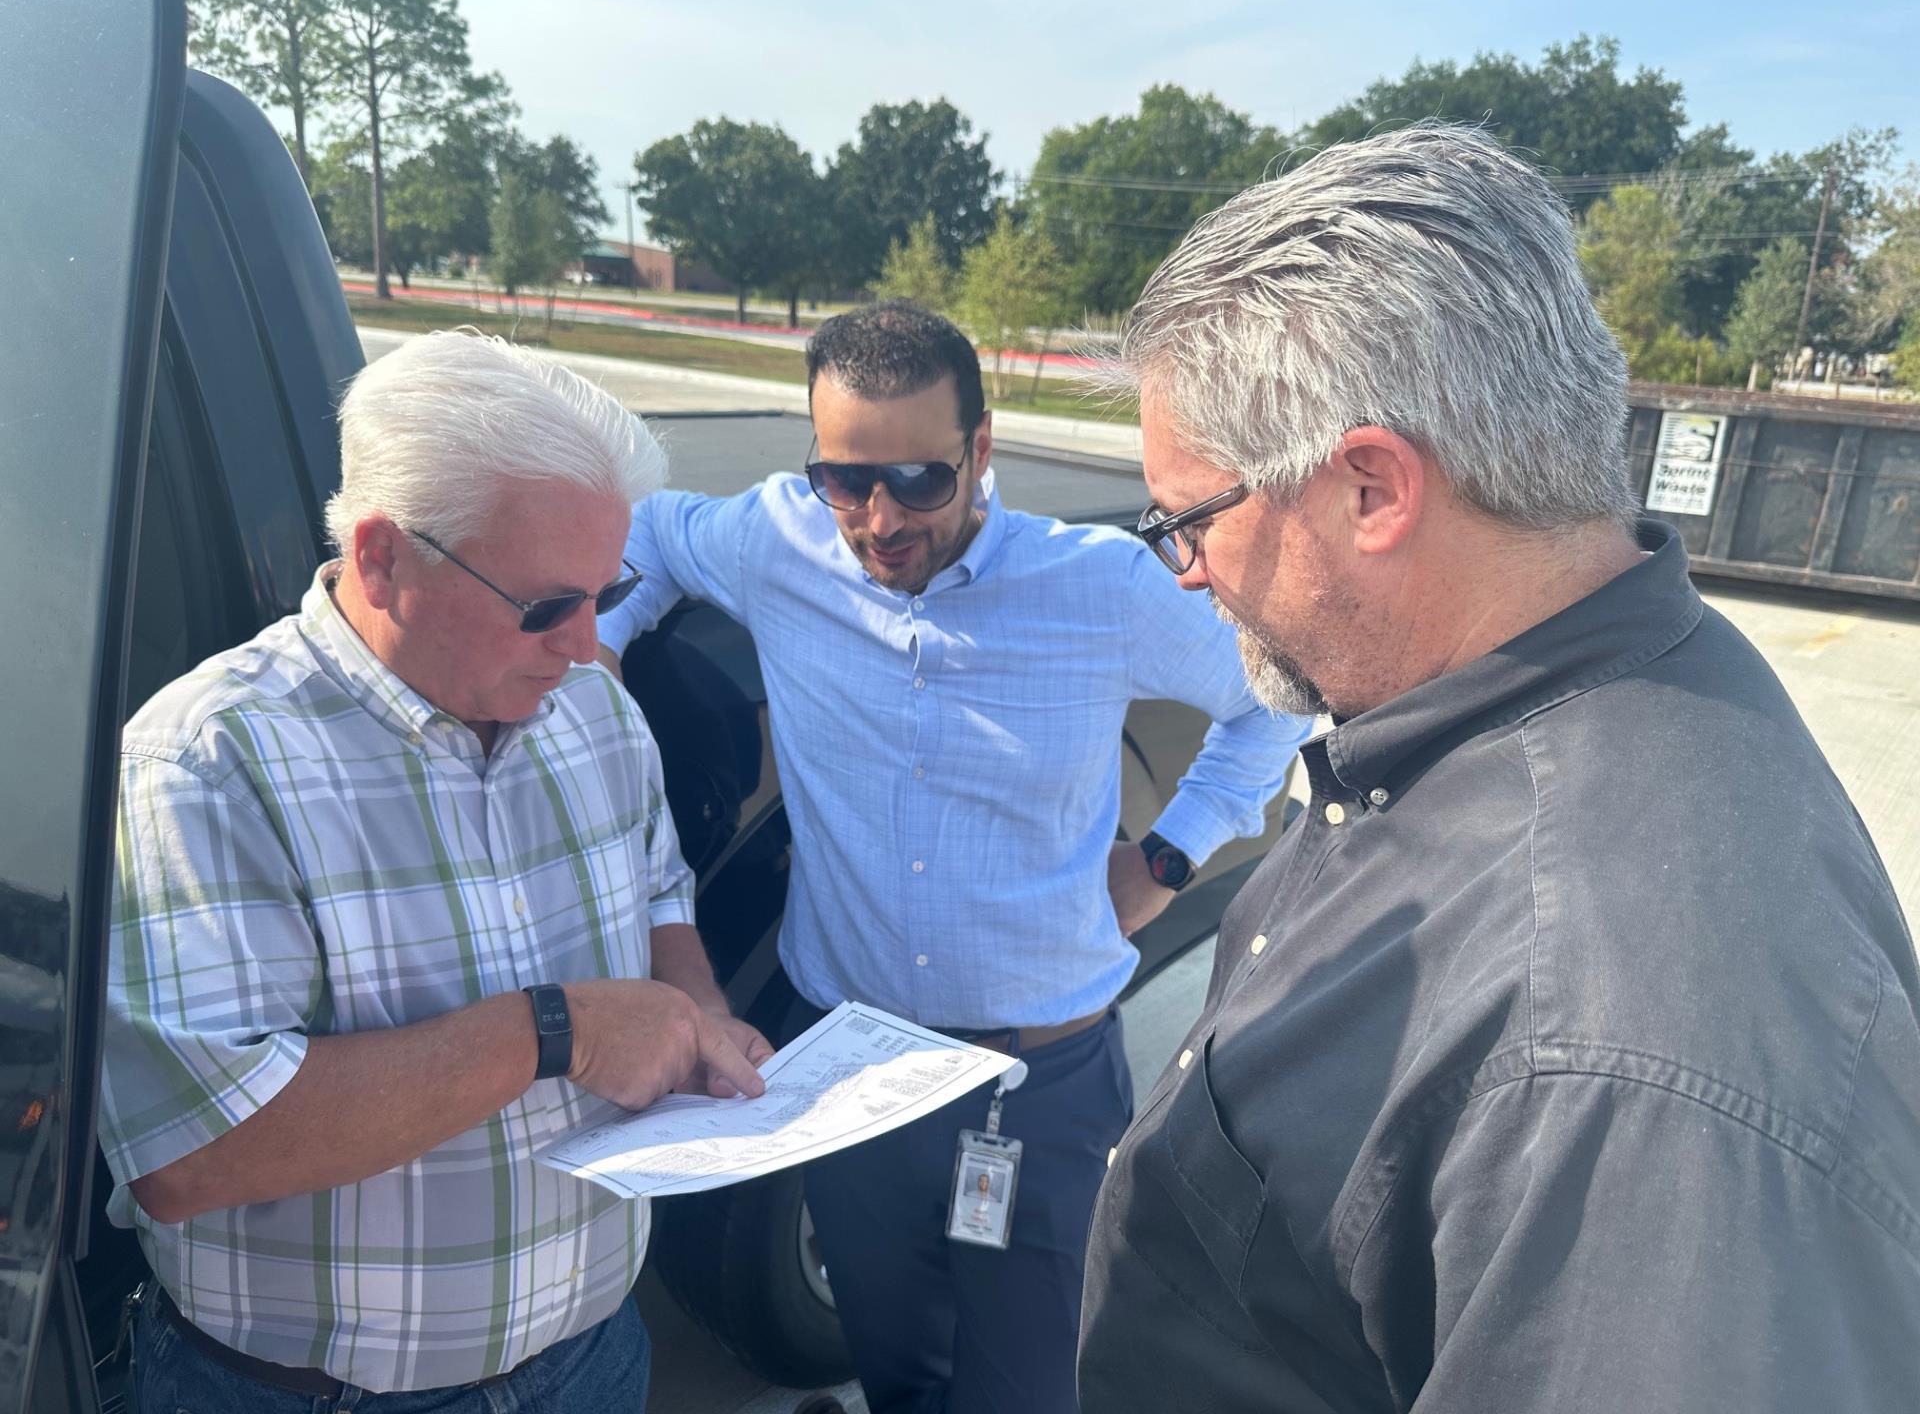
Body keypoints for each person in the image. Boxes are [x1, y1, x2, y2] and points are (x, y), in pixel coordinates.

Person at [1077, 122, 1920, 1411]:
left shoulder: (1623, 1044)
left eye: (1188, 523)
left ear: (1371, 489)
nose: (1187, 574)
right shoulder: (1549, 692)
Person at [596, 302, 1312, 1414]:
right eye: (845, 480)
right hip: (854, 1069)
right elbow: (642, 536)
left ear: (981, 452)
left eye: (921, 480)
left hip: (1039, 1083)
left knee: (1029, 1387)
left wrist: (1169, 855)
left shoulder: (1102, 589)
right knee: (896, 1369)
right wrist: (589, 662)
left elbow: (1275, 700)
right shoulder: (775, 538)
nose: (880, 519)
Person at [100, 331, 769, 1411]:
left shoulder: (593, 710)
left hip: (594, 1360)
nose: (586, 641)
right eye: (548, 604)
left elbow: (656, 892)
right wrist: (561, 1030)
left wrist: (695, 1013)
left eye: (611, 589)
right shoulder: (209, 763)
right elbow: (194, 1154)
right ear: (383, 557)